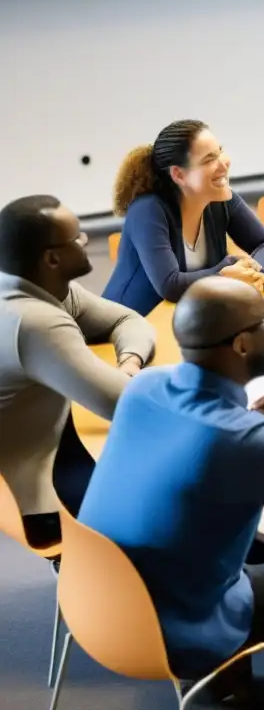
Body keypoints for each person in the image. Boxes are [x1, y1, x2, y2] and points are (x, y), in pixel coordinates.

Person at [77, 277, 264, 708]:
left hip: (98, 600)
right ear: (242, 344)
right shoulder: (245, 441)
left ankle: (227, 680)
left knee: (246, 540)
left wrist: (239, 414)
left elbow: (198, 440)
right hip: (176, 624)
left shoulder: (143, 388)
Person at [0, 195, 155, 549]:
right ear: (52, 258)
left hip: (54, 444)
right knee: (175, 493)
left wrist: (129, 361)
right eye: (77, 238)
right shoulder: (34, 321)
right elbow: (124, 405)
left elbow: (127, 320)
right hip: (39, 491)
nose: (85, 241)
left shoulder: (50, 288)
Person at [102, 119, 264, 317]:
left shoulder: (220, 199)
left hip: (189, 320)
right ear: (179, 175)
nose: (223, 163)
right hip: (123, 331)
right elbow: (170, 285)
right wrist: (226, 275)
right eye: (209, 159)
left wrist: (253, 274)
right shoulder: (147, 210)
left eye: (220, 151)